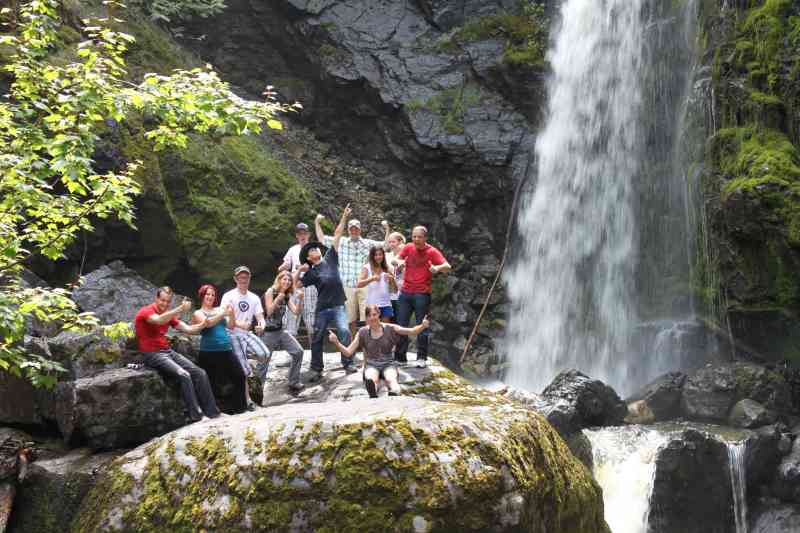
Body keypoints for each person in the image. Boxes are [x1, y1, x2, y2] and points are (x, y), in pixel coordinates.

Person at [134, 286, 221, 422]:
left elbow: (188, 329)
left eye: (168, 301)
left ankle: (213, 413)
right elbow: (159, 320)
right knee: (184, 375)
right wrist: (180, 309)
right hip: (152, 354)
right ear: (156, 298)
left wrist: (204, 324)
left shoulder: (168, 314)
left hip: (167, 351)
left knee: (200, 373)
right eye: (162, 300)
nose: (165, 304)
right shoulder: (146, 311)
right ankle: (197, 416)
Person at [294, 204, 353, 380]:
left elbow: (337, 235)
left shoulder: (331, 258)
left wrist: (344, 216)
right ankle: (316, 368)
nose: (314, 249)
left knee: (344, 330)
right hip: (321, 308)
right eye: (311, 250)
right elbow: (296, 285)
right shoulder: (311, 272)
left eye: (315, 248)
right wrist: (299, 270)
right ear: (308, 258)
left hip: (337, 305)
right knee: (318, 335)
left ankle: (348, 363)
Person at [316, 210, 390, 342]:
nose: (354, 231)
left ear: (360, 230)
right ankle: (352, 347)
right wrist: (317, 223)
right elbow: (322, 239)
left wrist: (387, 229)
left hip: (365, 285)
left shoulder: (368, 243)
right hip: (346, 285)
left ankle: (370, 345)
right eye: (351, 229)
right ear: (348, 230)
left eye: (356, 229)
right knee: (350, 319)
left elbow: (385, 245)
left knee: (369, 316)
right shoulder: (342, 242)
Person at [329, 304, 430, 398]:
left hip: (388, 363)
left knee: (391, 379)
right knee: (372, 379)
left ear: (379, 314)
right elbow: (348, 352)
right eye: (369, 315)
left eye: (374, 314)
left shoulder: (390, 328)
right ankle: (373, 391)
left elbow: (411, 331)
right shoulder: (362, 332)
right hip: (372, 364)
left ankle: (395, 391)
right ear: (366, 318)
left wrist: (423, 326)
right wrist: (336, 342)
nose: (372, 317)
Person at [393, 226, 451, 368]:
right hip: (406, 291)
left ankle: (421, 357)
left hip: (422, 293)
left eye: (419, 237)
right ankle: (400, 357)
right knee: (401, 324)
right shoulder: (408, 247)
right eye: (414, 237)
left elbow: (447, 266)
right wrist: (399, 262)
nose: (416, 239)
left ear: (425, 238)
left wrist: (437, 268)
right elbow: (395, 259)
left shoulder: (431, 251)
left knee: (422, 325)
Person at [220, 266, 271, 410]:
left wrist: (262, 326)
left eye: (246, 277)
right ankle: (248, 402)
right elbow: (222, 317)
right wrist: (239, 324)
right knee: (244, 369)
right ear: (235, 279)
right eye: (240, 277)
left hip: (247, 334)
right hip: (232, 334)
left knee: (265, 354)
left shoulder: (254, 298)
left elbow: (261, 318)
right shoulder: (228, 296)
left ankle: (239, 356)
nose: (243, 280)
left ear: (249, 279)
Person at [193, 284, 248, 414]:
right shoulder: (198, 313)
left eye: (212, 295)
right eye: (207, 294)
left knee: (239, 375)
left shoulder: (218, 310)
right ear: (202, 296)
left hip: (226, 349)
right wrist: (223, 313)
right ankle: (215, 410)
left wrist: (232, 314)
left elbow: (231, 325)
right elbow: (208, 323)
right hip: (209, 352)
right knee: (212, 382)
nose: (210, 297)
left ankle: (240, 408)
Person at [263, 271, 306, 392]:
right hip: (267, 332)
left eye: (289, 280)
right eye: (284, 279)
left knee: (298, 352)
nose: (287, 282)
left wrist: (301, 300)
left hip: (281, 330)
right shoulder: (270, 291)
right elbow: (269, 311)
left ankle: (294, 381)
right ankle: (257, 392)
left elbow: (296, 312)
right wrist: (278, 299)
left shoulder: (286, 295)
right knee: (263, 362)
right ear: (279, 280)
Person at [278, 222, 316, 346]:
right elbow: (287, 264)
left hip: (309, 286)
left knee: (311, 318)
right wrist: (282, 267)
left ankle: (314, 354)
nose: (302, 236)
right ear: (296, 236)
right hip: (293, 285)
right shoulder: (292, 249)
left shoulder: (314, 249)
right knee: (291, 318)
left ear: (309, 235)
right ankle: (292, 354)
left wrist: (304, 268)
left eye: (305, 233)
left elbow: (317, 267)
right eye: (300, 234)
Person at [357, 246, 396, 323]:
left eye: (380, 254)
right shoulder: (367, 267)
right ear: (372, 256)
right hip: (371, 305)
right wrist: (372, 279)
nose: (378, 257)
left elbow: (394, 290)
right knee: (370, 330)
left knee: (385, 330)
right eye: (375, 255)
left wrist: (392, 280)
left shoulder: (387, 268)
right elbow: (359, 284)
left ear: (383, 255)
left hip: (386, 304)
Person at [385, 231, 406, 319]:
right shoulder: (386, 256)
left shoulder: (407, 256)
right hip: (387, 295)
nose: (391, 244)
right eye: (389, 242)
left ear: (400, 242)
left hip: (402, 294)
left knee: (401, 321)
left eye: (393, 242)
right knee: (390, 322)